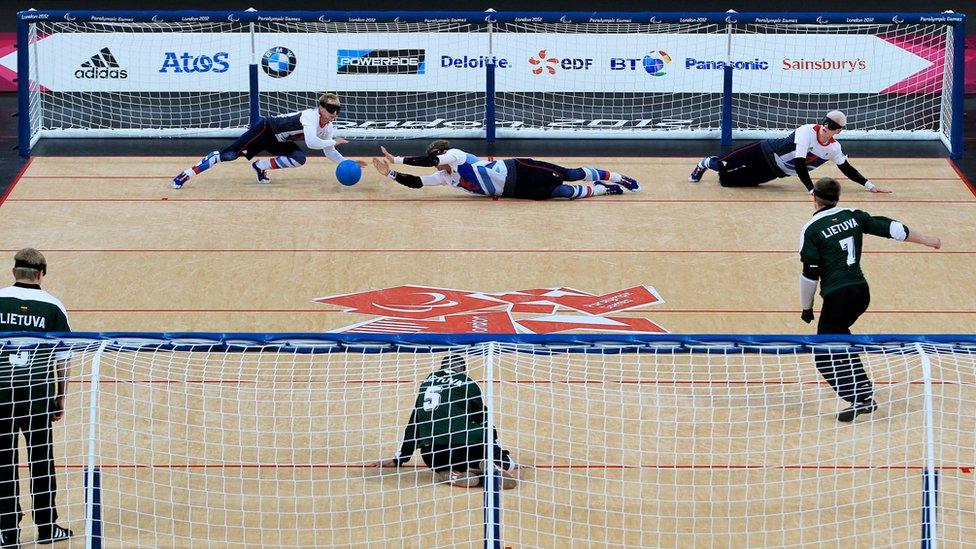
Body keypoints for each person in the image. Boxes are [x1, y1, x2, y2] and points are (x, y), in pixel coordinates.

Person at [798, 178, 941, 422]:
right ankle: (862, 391)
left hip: (838, 296)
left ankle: (861, 397)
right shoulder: (854, 216)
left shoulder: (810, 230)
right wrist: (927, 240)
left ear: (814, 198)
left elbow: (810, 275)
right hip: (861, 293)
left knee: (823, 354)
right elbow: (892, 228)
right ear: (838, 197)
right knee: (840, 337)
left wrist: (807, 307)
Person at [0, 249, 73, 547]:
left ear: (14, 271)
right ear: (42, 272)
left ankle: (6, 531)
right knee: (42, 461)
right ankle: (46, 527)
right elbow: (63, 358)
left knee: (3, 463)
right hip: (37, 397)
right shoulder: (54, 306)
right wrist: (60, 398)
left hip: (1, 395)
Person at [372, 355, 519, 489]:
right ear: (463, 370)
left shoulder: (426, 384)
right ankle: (494, 466)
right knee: (502, 457)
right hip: (466, 448)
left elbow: (414, 424)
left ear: (441, 367)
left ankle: (450, 474)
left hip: (433, 454)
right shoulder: (468, 383)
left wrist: (399, 458)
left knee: (442, 457)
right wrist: (500, 452)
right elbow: (485, 421)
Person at [171, 92, 367, 188]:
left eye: (337, 111)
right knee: (229, 155)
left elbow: (328, 151)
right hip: (265, 129)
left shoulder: (328, 126)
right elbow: (313, 143)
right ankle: (186, 173)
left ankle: (260, 166)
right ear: (321, 108)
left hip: (278, 139)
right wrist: (334, 141)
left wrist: (345, 161)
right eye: (331, 110)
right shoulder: (310, 116)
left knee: (299, 158)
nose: (334, 114)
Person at [689, 110, 892, 194]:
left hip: (774, 171)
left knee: (727, 182)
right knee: (723, 164)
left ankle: (722, 172)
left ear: (838, 131)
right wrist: (811, 190)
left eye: (830, 127)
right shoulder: (806, 131)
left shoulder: (834, 149)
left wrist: (870, 186)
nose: (824, 128)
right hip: (763, 151)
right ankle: (704, 164)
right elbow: (800, 163)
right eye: (824, 123)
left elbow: (847, 169)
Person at [372, 140, 640, 199]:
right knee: (563, 192)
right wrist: (391, 174)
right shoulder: (446, 178)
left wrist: (395, 159)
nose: (436, 163)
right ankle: (604, 190)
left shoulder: (456, 155)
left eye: (436, 158)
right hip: (514, 190)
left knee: (567, 174)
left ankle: (618, 176)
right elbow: (419, 183)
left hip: (518, 169)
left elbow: (427, 162)